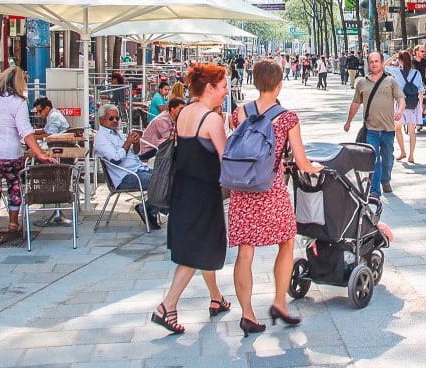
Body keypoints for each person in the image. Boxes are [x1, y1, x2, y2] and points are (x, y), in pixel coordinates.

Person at [229, 60, 324, 336]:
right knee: (286, 241)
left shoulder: (238, 113)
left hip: (242, 190)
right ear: (279, 84)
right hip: (270, 188)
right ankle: (280, 302)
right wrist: (315, 168)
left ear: (256, 82)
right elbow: (302, 161)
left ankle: (247, 314)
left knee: (245, 251)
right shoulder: (287, 118)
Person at [151, 63, 232, 335]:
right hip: (204, 194)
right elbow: (227, 161)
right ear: (209, 88)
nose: (226, 91)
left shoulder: (185, 112)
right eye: (222, 86)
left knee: (200, 247)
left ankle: (216, 297)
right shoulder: (211, 120)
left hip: (183, 190)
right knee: (195, 251)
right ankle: (167, 305)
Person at [0, 67, 55, 247]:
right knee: (15, 185)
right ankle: (13, 222)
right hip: (9, 152)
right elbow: (25, 131)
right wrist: (39, 153)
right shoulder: (18, 102)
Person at [344, 52, 403, 196]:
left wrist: (400, 110)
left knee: (388, 158)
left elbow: (401, 99)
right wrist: (348, 121)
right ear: (368, 64)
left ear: (382, 63)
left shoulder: (391, 81)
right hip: (371, 129)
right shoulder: (362, 83)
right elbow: (356, 103)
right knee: (374, 158)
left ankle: (386, 179)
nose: (374, 64)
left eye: (377, 61)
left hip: (388, 128)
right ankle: (375, 191)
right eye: (372, 62)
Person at [93, 103, 160, 229]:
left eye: (117, 118)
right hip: (125, 176)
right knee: (163, 181)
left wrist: (136, 143)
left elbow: (135, 153)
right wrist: (128, 143)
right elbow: (116, 159)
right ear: (101, 120)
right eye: (111, 118)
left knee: (170, 176)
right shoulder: (101, 138)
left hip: (138, 169)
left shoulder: (117, 132)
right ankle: (148, 209)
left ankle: (150, 208)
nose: (115, 121)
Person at [386, 51, 424, 164]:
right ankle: (411, 155)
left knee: (397, 128)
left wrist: (394, 56)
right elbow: (421, 90)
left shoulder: (396, 72)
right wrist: (421, 106)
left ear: (400, 61)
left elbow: (384, 66)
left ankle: (403, 151)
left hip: (400, 105)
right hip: (413, 105)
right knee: (412, 131)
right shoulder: (417, 73)